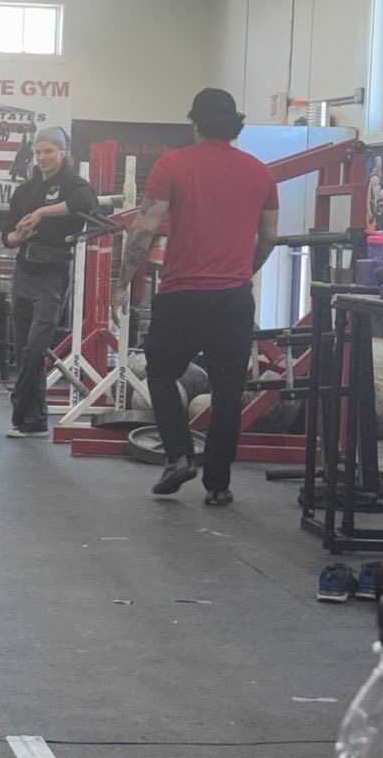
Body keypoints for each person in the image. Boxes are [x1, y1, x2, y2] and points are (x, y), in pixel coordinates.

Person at [111, 88, 278, 507]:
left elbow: (144, 229)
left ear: (195, 122)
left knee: (162, 372)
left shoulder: (172, 164)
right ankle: (218, 485)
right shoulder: (261, 173)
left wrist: (122, 281)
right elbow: (270, 237)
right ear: (234, 122)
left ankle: (179, 454)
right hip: (233, 299)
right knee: (226, 391)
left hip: (182, 295)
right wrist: (243, 272)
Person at [2, 126, 98, 438]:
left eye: (49, 152)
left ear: (63, 153)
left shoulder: (73, 184)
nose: (43, 158)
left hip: (53, 273)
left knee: (35, 347)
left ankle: (20, 407)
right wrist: (19, 234)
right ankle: (33, 421)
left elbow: (87, 201)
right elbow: (8, 236)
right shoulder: (24, 191)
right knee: (23, 348)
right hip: (23, 271)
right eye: (39, 152)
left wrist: (44, 213)